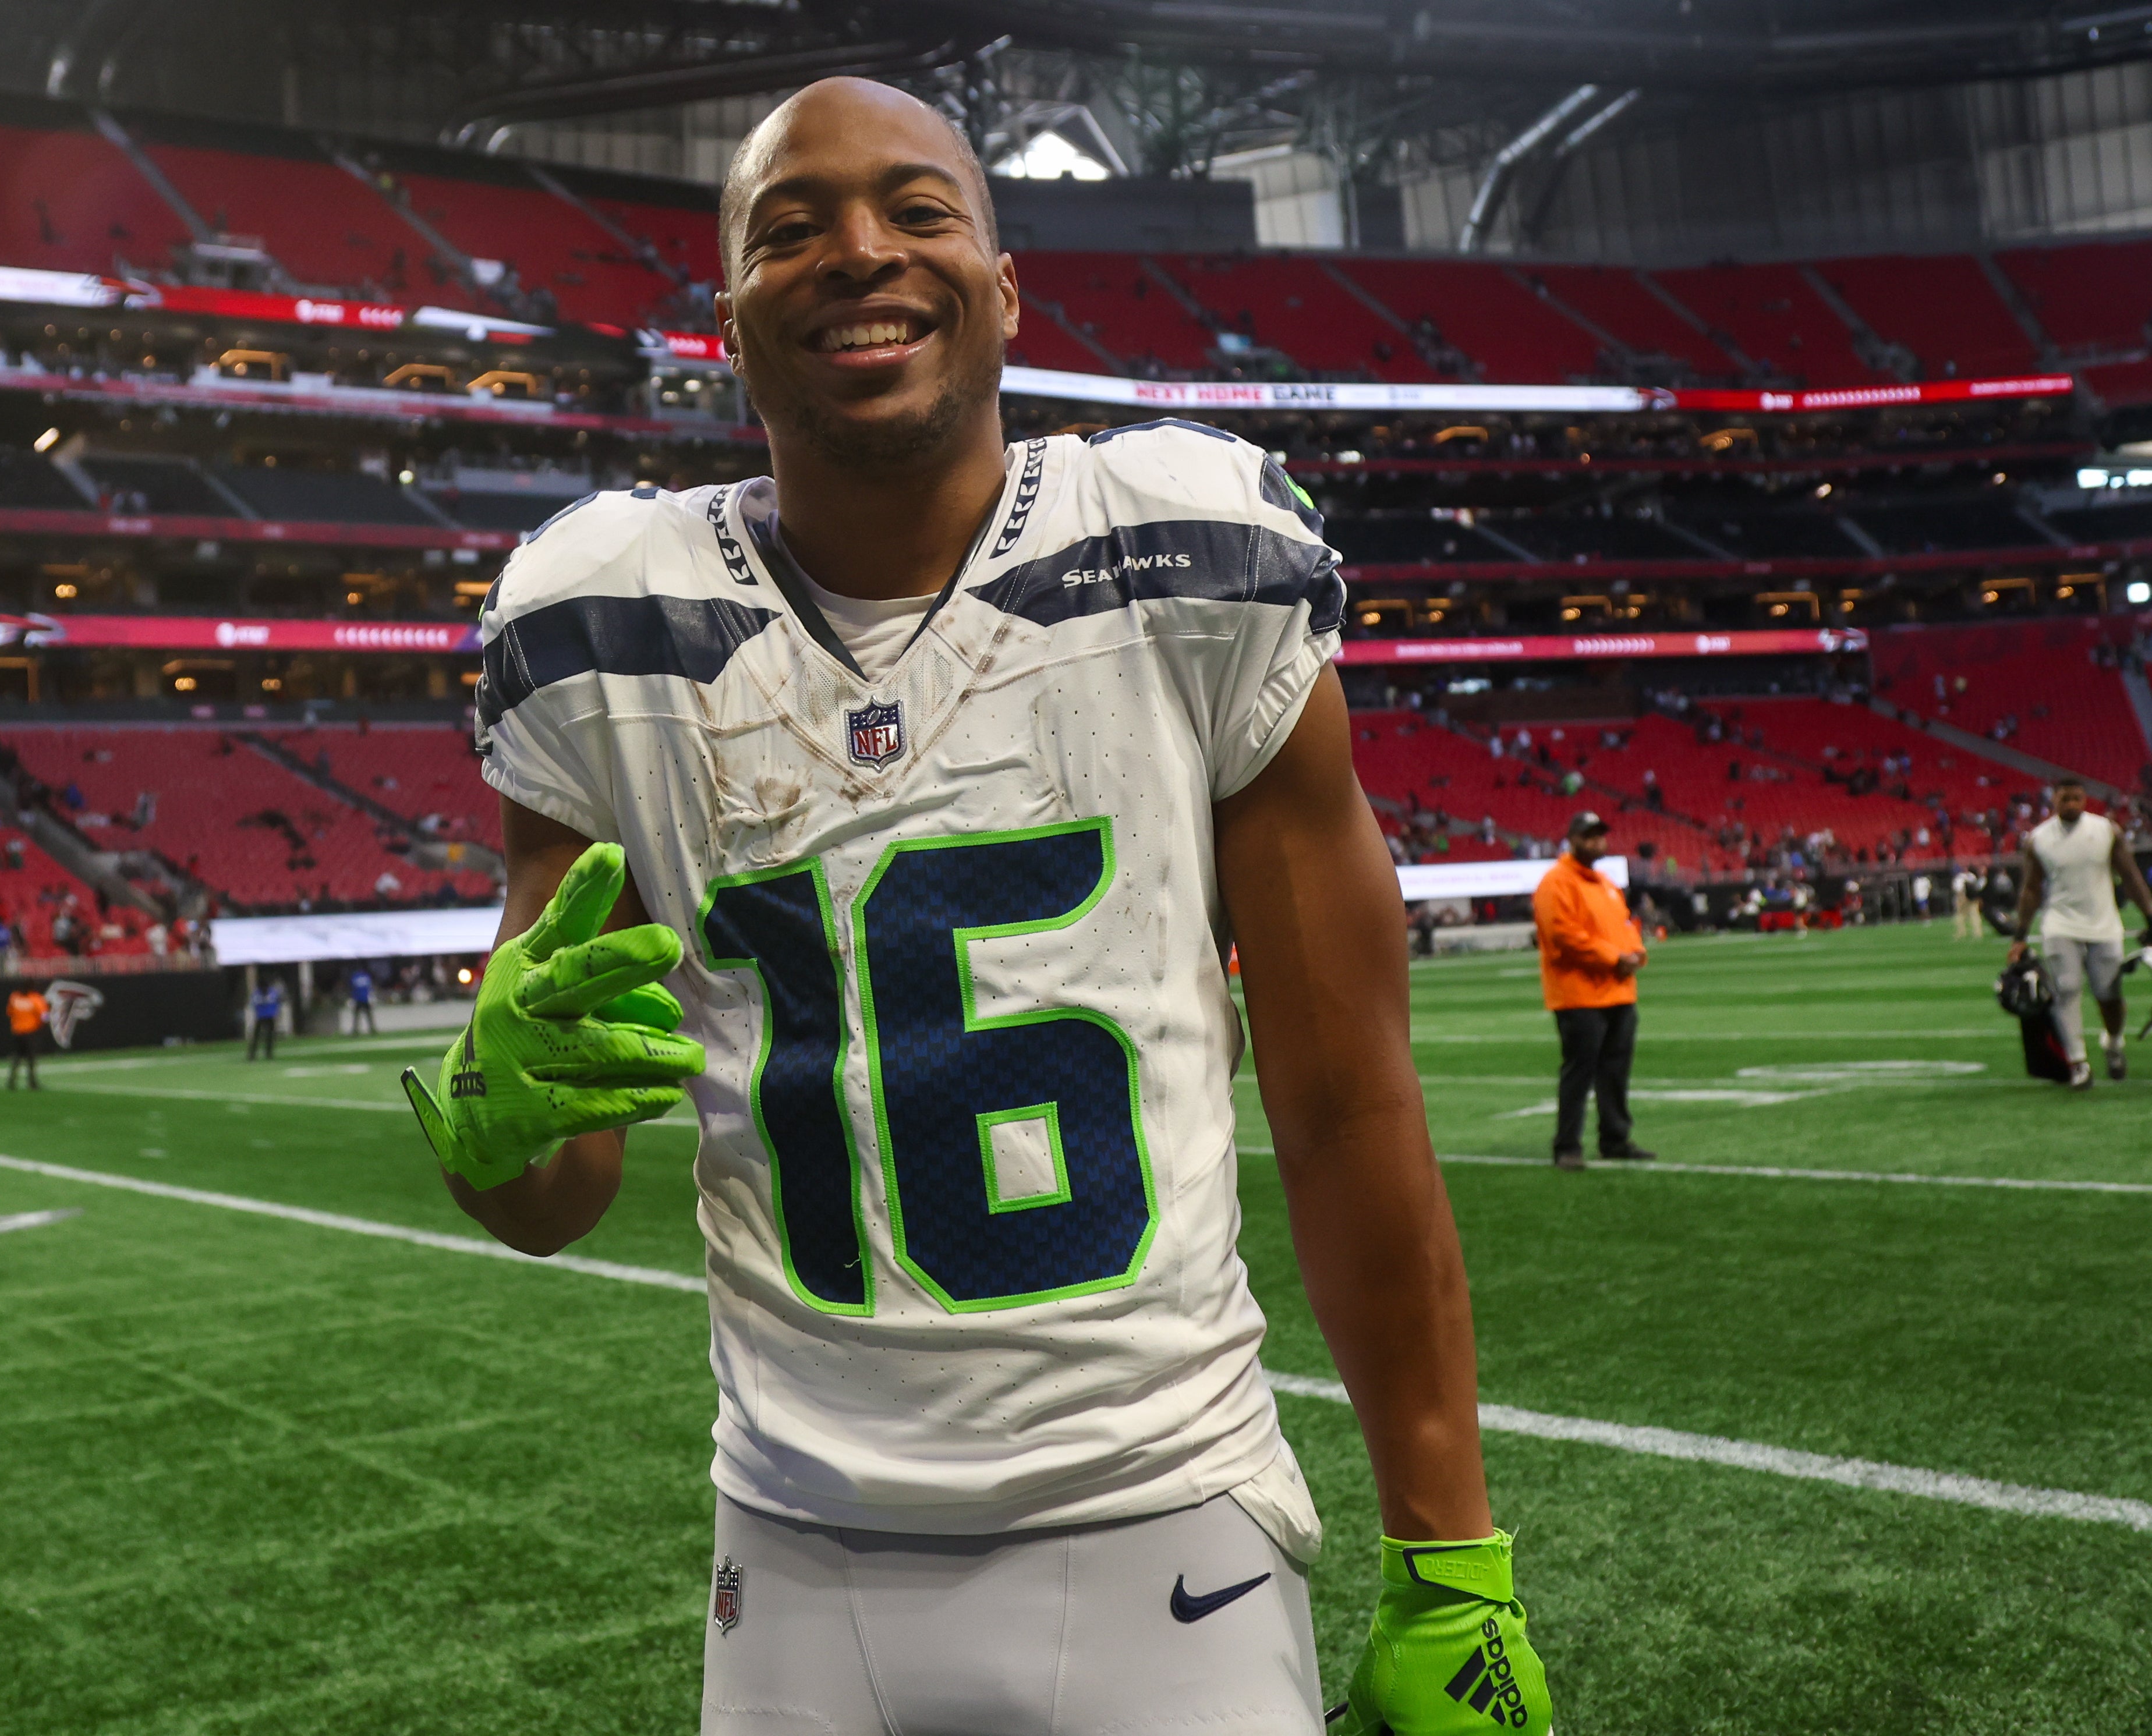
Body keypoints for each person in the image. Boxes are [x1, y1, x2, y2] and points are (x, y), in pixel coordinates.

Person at [407, 79, 1546, 1736]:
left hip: (1165, 1511)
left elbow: (1348, 1096)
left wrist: (1455, 1556)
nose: (858, 250)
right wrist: (485, 1119)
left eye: (919, 210)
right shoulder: (602, 626)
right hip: (795, 1551)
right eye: (788, 228)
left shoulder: (1184, 552)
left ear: (1006, 289)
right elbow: (555, 1194)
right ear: (730, 320)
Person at [2008, 774, 2152, 1089]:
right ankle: (2078, 1062)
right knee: (2067, 989)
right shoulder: (2038, 838)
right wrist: (2020, 934)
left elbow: (2130, 876)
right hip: (2060, 923)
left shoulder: (2106, 831)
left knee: (2108, 994)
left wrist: (2150, 915)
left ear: (2085, 801)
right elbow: (2030, 889)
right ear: (2053, 800)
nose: (2071, 804)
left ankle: (2113, 1044)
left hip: (2104, 923)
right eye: (2064, 799)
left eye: (2077, 799)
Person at [1533, 811, 1657, 1170]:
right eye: (1588, 836)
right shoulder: (1556, 882)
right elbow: (1563, 936)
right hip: (1579, 994)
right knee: (1580, 1072)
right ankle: (1567, 1146)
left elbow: (1624, 925)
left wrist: (1636, 954)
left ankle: (1615, 1138)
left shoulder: (1605, 884)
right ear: (1572, 839)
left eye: (1599, 835)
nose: (1596, 842)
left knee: (1616, 1071)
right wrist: (1614, 958)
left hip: (1618, 991)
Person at [6, 979, 48, 1089]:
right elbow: (44, 1016)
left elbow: (9, 1012)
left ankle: (12, 1081)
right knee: (31, 1059)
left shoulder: (15, 997)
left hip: (17, 1032)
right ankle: (32, 1082)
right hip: (30, 1032)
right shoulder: (36, 999)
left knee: (17, 1057)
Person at [246, 976, 283, 1061]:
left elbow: (253, 1005)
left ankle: (254, 1055)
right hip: (266, 1016)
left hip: (263, 1016)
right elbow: (278, 1003)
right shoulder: (271, 993)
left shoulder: (257, 993)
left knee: (261, 1037)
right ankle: (266, 1054)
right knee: (265, 1037)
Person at [1952, 863, 1986, 938]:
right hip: (1970, 897)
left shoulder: (1961, 877)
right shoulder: (1971, 877)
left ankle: (1963, 932)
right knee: (1972, 915)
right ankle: (1975, 933)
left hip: (1963, 897)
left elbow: (1957, 888)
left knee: (1963, 915)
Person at [346, 963, 377, 1035]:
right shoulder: (367, 976)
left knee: (357, 1016)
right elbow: (370, 987)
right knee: (368, 1015)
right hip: (366, 998)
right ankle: (372, 1029)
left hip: (358, 998)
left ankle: (356, 1030)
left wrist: (352, 998)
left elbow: (352, 988)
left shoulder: (354, 977)